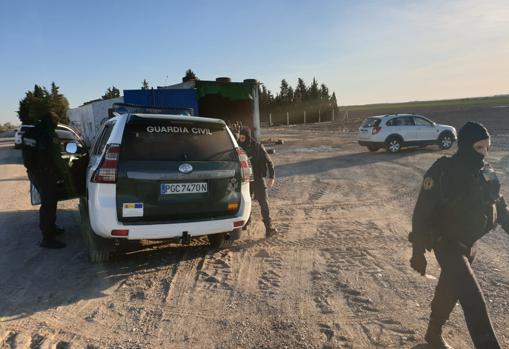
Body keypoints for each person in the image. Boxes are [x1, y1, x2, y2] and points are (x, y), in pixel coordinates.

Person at [409, 122, 509, 349]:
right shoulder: (443, 171)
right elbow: (421, 212)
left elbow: (500, 208)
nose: (484, 153)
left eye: (487, 148)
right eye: (479, 148)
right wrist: (417, 252)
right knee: (472, 298)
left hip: (469, 244)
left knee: (450, 289)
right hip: (446, 244)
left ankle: (433, 333)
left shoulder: (485, 171)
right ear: (465, 146)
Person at [22, 112, 68, 249]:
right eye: (55, 121)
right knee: (48, 205)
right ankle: (47, 238)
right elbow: (54, 156)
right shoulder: (48, 134)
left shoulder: (31, 132)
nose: (56, 123)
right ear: (51, 121)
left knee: (49, 202)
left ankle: (52, 228)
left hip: (34, 173)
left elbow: (27, 156)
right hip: (46, 175)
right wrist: (62, 172)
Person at [238, 127, 278, 237]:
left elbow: (269, 162)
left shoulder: (257, 147)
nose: (241, 140)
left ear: (248, 137)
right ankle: (246, 222)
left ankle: (269, 228)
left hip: (258, 178)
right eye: (240, 137)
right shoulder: (237, 148)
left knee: (263, 202)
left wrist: (272, 177)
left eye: (243, 137)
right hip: (244, 179)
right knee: (245, 202)